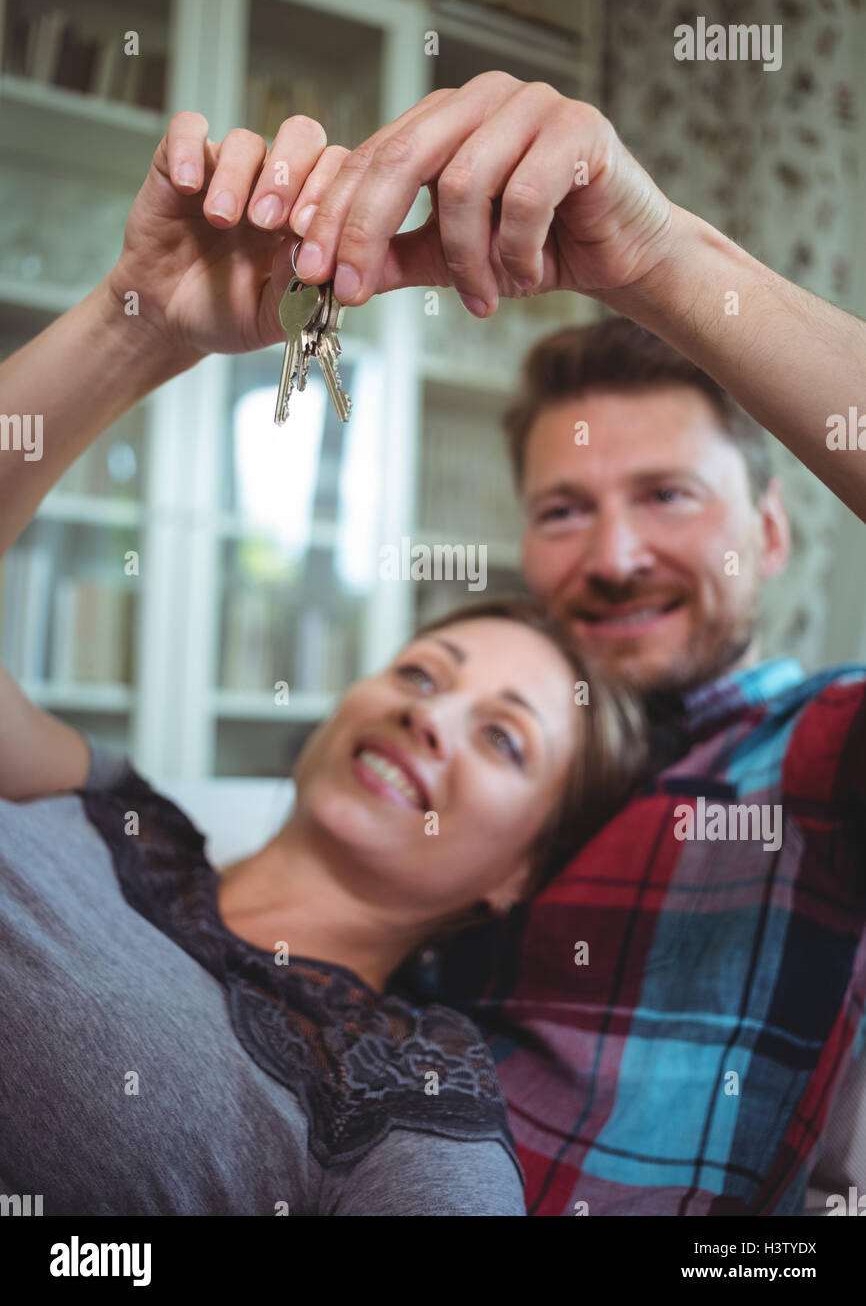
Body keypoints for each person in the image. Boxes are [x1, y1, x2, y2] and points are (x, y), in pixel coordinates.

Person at [1, 71, 865, 1215]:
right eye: (562, 510)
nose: (610, 555)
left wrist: (664, 263)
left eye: (666, 496)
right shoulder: (126, 822)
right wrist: (140, 320)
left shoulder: (816, 747)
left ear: (765, 531)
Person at [0, 595, 644, 1216]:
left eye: (502, 738)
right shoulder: (124, 809)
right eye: (420, 675)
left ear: (521, 874)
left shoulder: (399, 1099)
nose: (431, 715)